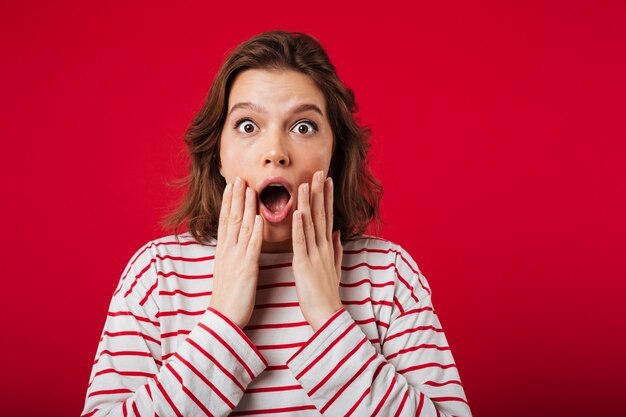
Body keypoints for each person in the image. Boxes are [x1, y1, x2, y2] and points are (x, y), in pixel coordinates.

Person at [81, 30, 472, 417]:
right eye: (248, 126)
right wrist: (222, 320)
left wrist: (329, 318)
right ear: (218, 155)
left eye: (303, 127)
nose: (275, 153)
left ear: (334, 155)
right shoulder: (157, 275)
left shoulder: (389, 277)